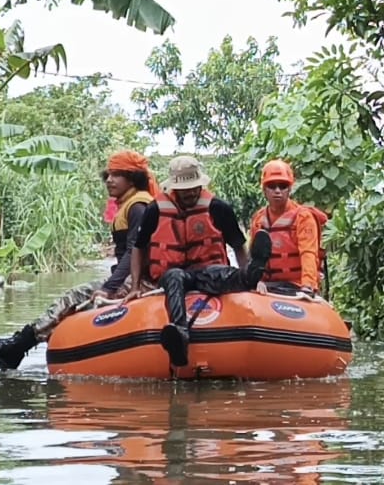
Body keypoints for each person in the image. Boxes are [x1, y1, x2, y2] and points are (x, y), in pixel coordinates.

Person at [0, 150, 161, 371]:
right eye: (108, 175)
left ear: (132, 178)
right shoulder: (130, 204)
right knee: (75, 299)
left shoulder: (138, 206)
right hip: (129, 277)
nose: (109, 180)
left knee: (73, 297)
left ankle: (18, 346)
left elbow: (134, 252)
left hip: (140, 281)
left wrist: (109, 288)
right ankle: (17, 346)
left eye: (117, 175)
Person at [130, 155, 272, 368]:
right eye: (184, 189)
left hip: (207, 271)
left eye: (193, 188)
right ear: (175, 188)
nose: (190, 193)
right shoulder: (155, 209)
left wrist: (253, 280)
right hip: (174, 273)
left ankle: (250, 275)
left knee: (220, 273)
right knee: (174, 277)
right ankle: (180, 335)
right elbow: (138, 247)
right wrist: (135, 286)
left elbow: (237, 246)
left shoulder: (217, 207)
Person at [247, 159, 328, 296]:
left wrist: (307, 286)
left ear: (289, 189)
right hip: (267, 286)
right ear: (264, 189)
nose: (277, 191)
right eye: (272, 186)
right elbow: (255, 257)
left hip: (298, 285)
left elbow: (308, 253)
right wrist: (256, 281)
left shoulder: (303, 217)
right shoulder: (259, 219)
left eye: (283, 186)